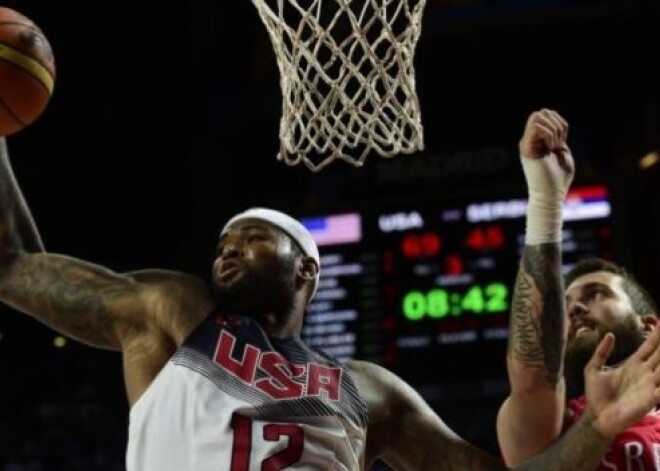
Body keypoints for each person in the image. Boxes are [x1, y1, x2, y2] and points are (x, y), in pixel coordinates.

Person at [0, 133, 657, 471]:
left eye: (253, 237)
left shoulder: (368, 391)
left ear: (307, 267)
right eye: (224, 241)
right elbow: (16, 267)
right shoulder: (174, 312)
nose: (228, 250)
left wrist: (597, 427)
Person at [497, 108, 660, 470]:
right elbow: (535, 374)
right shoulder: (556, 425)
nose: (573, 309)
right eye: (566, 303)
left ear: (649, 327)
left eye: (597, 295)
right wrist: (545, 201)